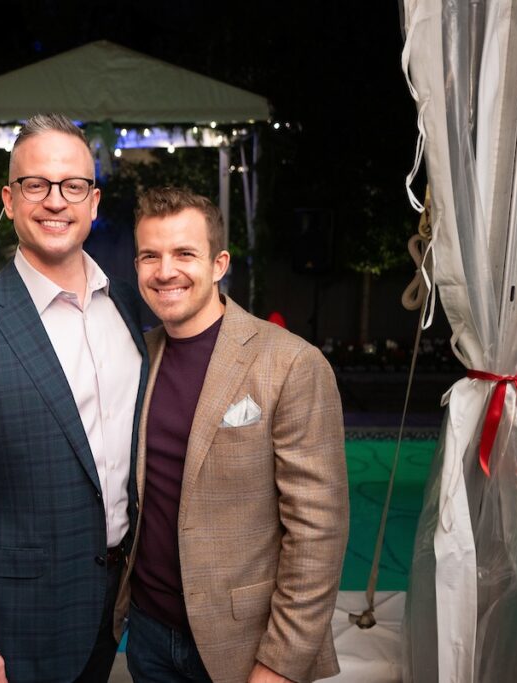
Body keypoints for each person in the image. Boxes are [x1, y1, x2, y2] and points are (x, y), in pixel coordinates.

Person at [0, 113, 147, 683]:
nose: (55, 201)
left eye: (73, 186)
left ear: (94, 201)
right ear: (10, 200)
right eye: (35, 185)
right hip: (19, 630)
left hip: (117, 609)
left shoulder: (130, 311)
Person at [115, 187, 348, 683]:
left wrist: (280, 665)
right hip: (150, 636)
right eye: (150, 256)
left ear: (219, 264)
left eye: (184, 254)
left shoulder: (290, 362)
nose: (165, 271)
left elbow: (318, 533)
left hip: (244, 643)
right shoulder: (138, 356)